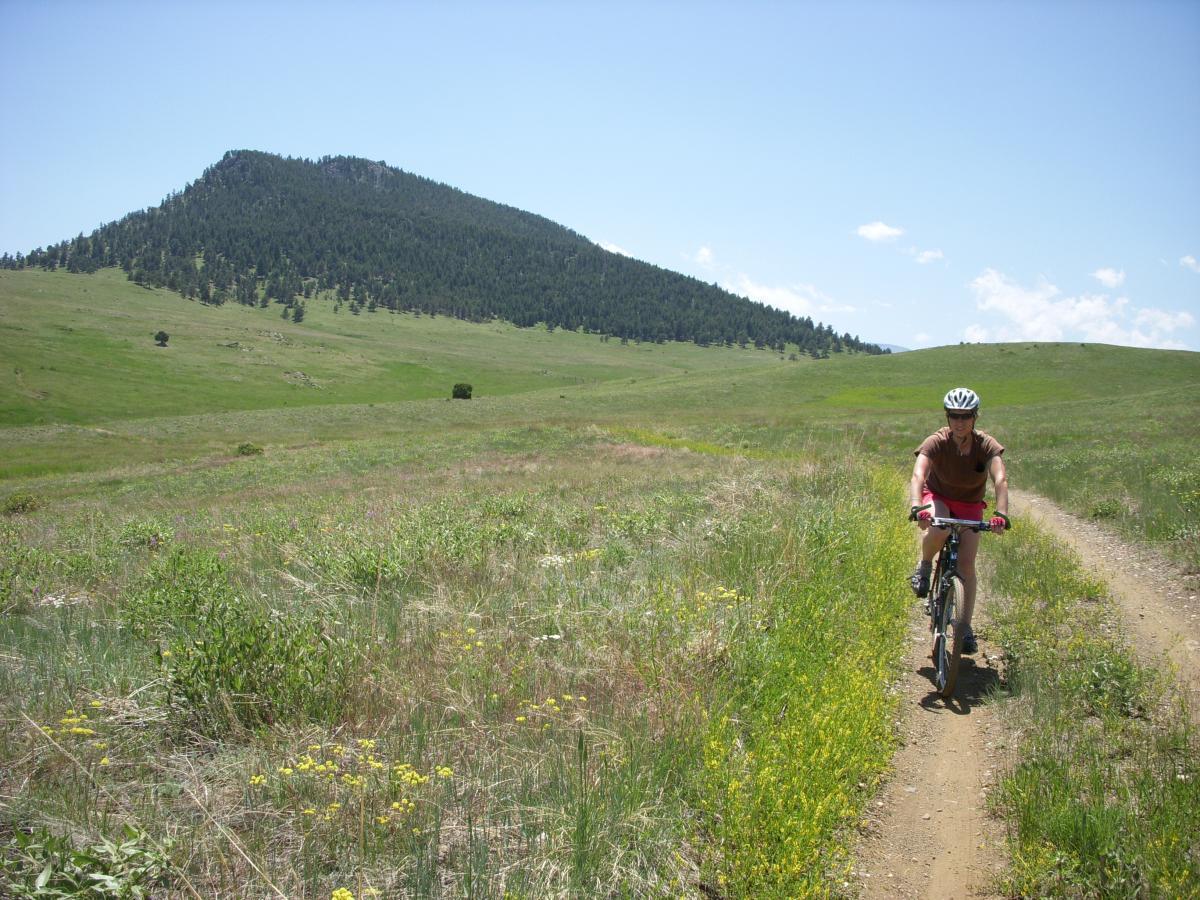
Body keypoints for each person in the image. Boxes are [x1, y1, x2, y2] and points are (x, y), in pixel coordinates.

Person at [908, 387, 1010, 655]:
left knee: (967, 564)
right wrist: (917, 506)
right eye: (954, 416)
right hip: (938, 495)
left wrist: (1001, 514)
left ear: (975, 417)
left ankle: (964, 627)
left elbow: (1000, 478)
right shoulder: (937, 440)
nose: (960, 421)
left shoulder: (985, 443)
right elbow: (919, 474)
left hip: (970, 504)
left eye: (966, 416)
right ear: (947, 416)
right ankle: (925, 565)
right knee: (939, 528)